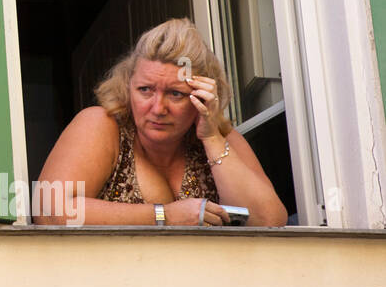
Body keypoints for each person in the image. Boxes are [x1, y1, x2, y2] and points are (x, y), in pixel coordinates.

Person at [36, 18, 287, 226]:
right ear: (127, 86)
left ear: (201, 96)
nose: (157, 108)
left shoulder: (220, 137)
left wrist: (211, 139)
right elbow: (49, 210)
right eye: (145, 90)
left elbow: (269, 221)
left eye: (175, 94)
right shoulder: (102, 124)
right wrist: (163, 216)